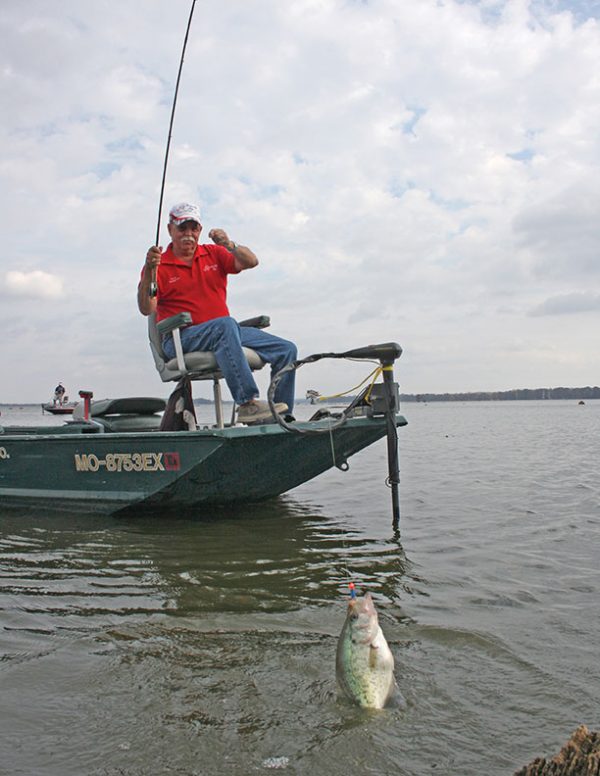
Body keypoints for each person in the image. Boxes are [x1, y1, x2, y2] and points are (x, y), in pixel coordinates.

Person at [137, 202, 297, 424]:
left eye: (194, 228)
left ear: (200, 230)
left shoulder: (212, 253)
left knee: (287, 349)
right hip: (180, 338)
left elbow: (251, 261)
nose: (189, 234)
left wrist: (228, 244)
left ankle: (282, 418)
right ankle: (247, 404)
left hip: (222, 331)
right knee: (226, 325)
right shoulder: (159, 264)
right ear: (170, 230)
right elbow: (146, 308)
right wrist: (150, 272)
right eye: (182, 228)